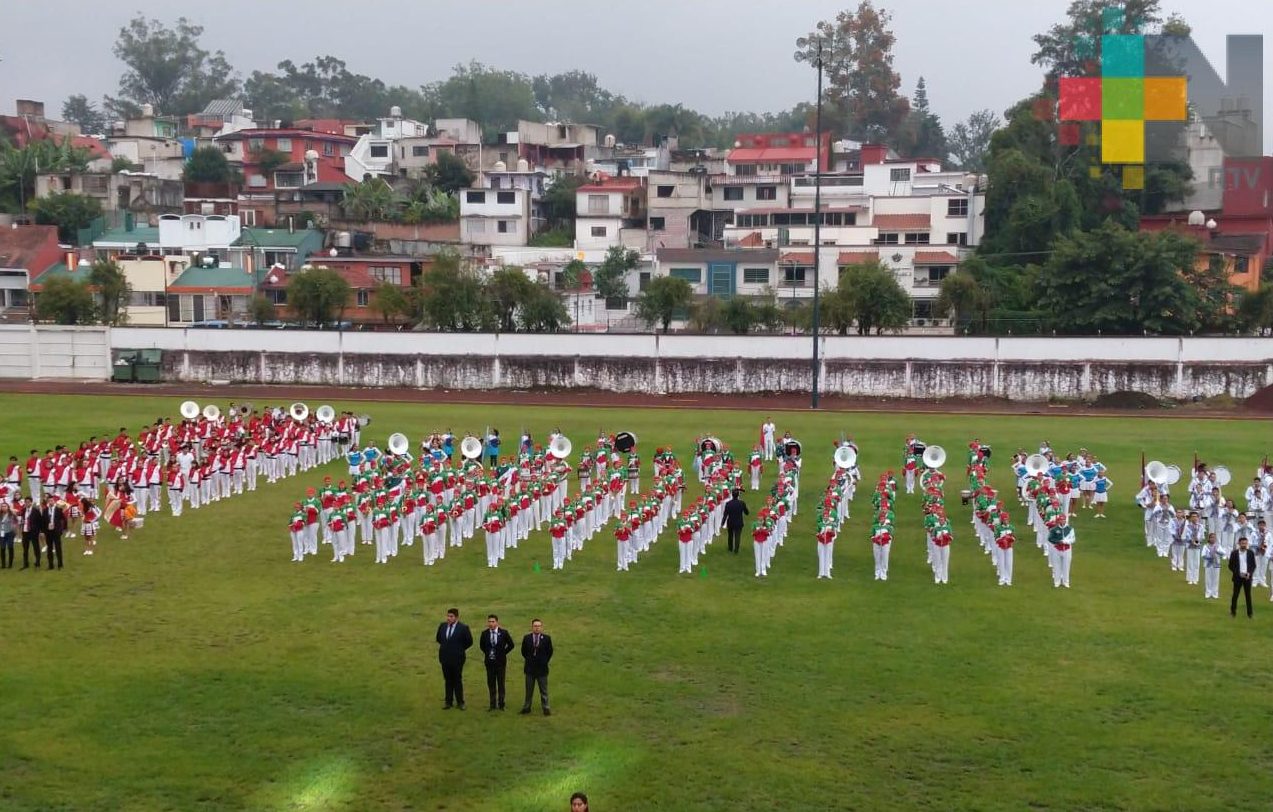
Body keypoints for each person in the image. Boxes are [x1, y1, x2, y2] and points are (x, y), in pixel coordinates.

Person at [435, 608, 473, 710]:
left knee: (457, 680)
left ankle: (460, 702)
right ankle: (448, 702)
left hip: (457, 659)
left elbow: (469, 641)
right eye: (448, 616)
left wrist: (459, 649)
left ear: (456, 617)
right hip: (445, 658)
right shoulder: (442, 626)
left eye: (451, 617)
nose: (449, 618)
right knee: (448, 680)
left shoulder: (463, 628)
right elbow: (439, 638)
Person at [479, 614, 516, 711]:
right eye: (489, 622)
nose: (491, 624)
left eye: (493, 622)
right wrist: (489, 653)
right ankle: (492, 705)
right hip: (489, 663)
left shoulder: (503, 633)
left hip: (500, 663)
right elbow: (482, 646)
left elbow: (511, 645)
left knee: (501, 684)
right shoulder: (485, 634)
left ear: (497, 622)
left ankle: (501, 704)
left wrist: (503, 653)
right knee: (491, 683)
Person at [520, 618, 554, 716]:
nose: (537, 628)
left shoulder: (547, 638)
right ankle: (527, 707)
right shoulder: (527, 638)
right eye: (535, 626)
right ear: (532, 627)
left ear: (541, 627)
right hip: (530, 669)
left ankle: (546, 708)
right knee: (529, 690)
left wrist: (544, 661)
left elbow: (550, 651)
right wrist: (530, 660)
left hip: (542, 669)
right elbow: (523, 651)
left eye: (539, 626)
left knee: (544, 690)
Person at [1229, 535, 1256, 618]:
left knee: (1248, 595)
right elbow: (1230, 565)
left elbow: (1253, 565)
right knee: (1235, 595)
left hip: (1247, 577)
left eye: (1245, 543)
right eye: (1242, 543)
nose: (1244, 545)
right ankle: (1233, 612)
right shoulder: (1234, 553)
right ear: (1239, 544)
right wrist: (1238, 573)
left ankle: (1250, 613)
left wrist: (1249, 573)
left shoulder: (1251, 553)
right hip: (1238, 577)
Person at [42, 494, 67, 570]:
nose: (51, 502)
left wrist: (62, 529)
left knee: (58, 547)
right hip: (48, 532)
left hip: (56, 531)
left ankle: (60, 564)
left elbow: (64, 519)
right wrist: (44, 530)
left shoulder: (58, 510)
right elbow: (43, 521)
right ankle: (51, 565)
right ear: (48, 502)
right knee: (49, 548)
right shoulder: (45, 510)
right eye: (49, 501)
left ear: (54, 501)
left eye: (52, 501)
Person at [19, 495, 43, 569]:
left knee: (36, 547)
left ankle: (38, 563)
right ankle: (26, 564)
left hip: (33, 532)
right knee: (25, 549)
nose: (27, 504)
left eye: (28, 502)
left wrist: (40, 531)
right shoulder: (23, 510)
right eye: (26, 502)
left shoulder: (35, 511)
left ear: (31, 503)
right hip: (25, 532)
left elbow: (40, 522)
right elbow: (21, 520)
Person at [722, 489, 749, 554]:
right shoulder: (742, 503)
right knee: (737, 535)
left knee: (730, 535)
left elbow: (725, 514)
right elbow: (747, 512)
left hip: (730, 521)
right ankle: (736, 549)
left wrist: (722, 523)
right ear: (738, 495)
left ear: (732, 495)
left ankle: (730, 548)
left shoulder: (728, 503)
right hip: (739, 522)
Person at [0, 500, 15, 569]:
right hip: (2, 534)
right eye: (2, 506)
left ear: (8, 507)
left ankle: (10, 564)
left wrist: (11, 510)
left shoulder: (11, 514)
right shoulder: (0, 514)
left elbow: (16, 515)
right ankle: (3, 564)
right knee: (2, 549)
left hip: (10, 533)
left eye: (5, 506)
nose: (3, 507)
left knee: (10, 548)